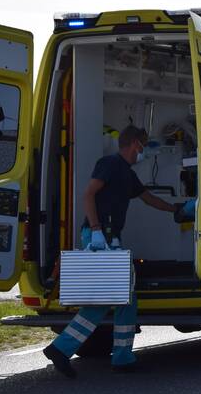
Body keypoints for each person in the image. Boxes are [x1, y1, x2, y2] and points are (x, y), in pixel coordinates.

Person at [43, 125, 184, 377]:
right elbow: (88, 195)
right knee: (113, 297)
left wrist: (178, 211)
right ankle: (70, 350)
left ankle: (117, 356)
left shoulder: (127, 174)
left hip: (109, 236)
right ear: (134, 144)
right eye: (145, 145)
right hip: (101, 236)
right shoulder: (109, 163)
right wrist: (96, 229)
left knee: (123, 298)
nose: (146, 151)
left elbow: (149, 198)